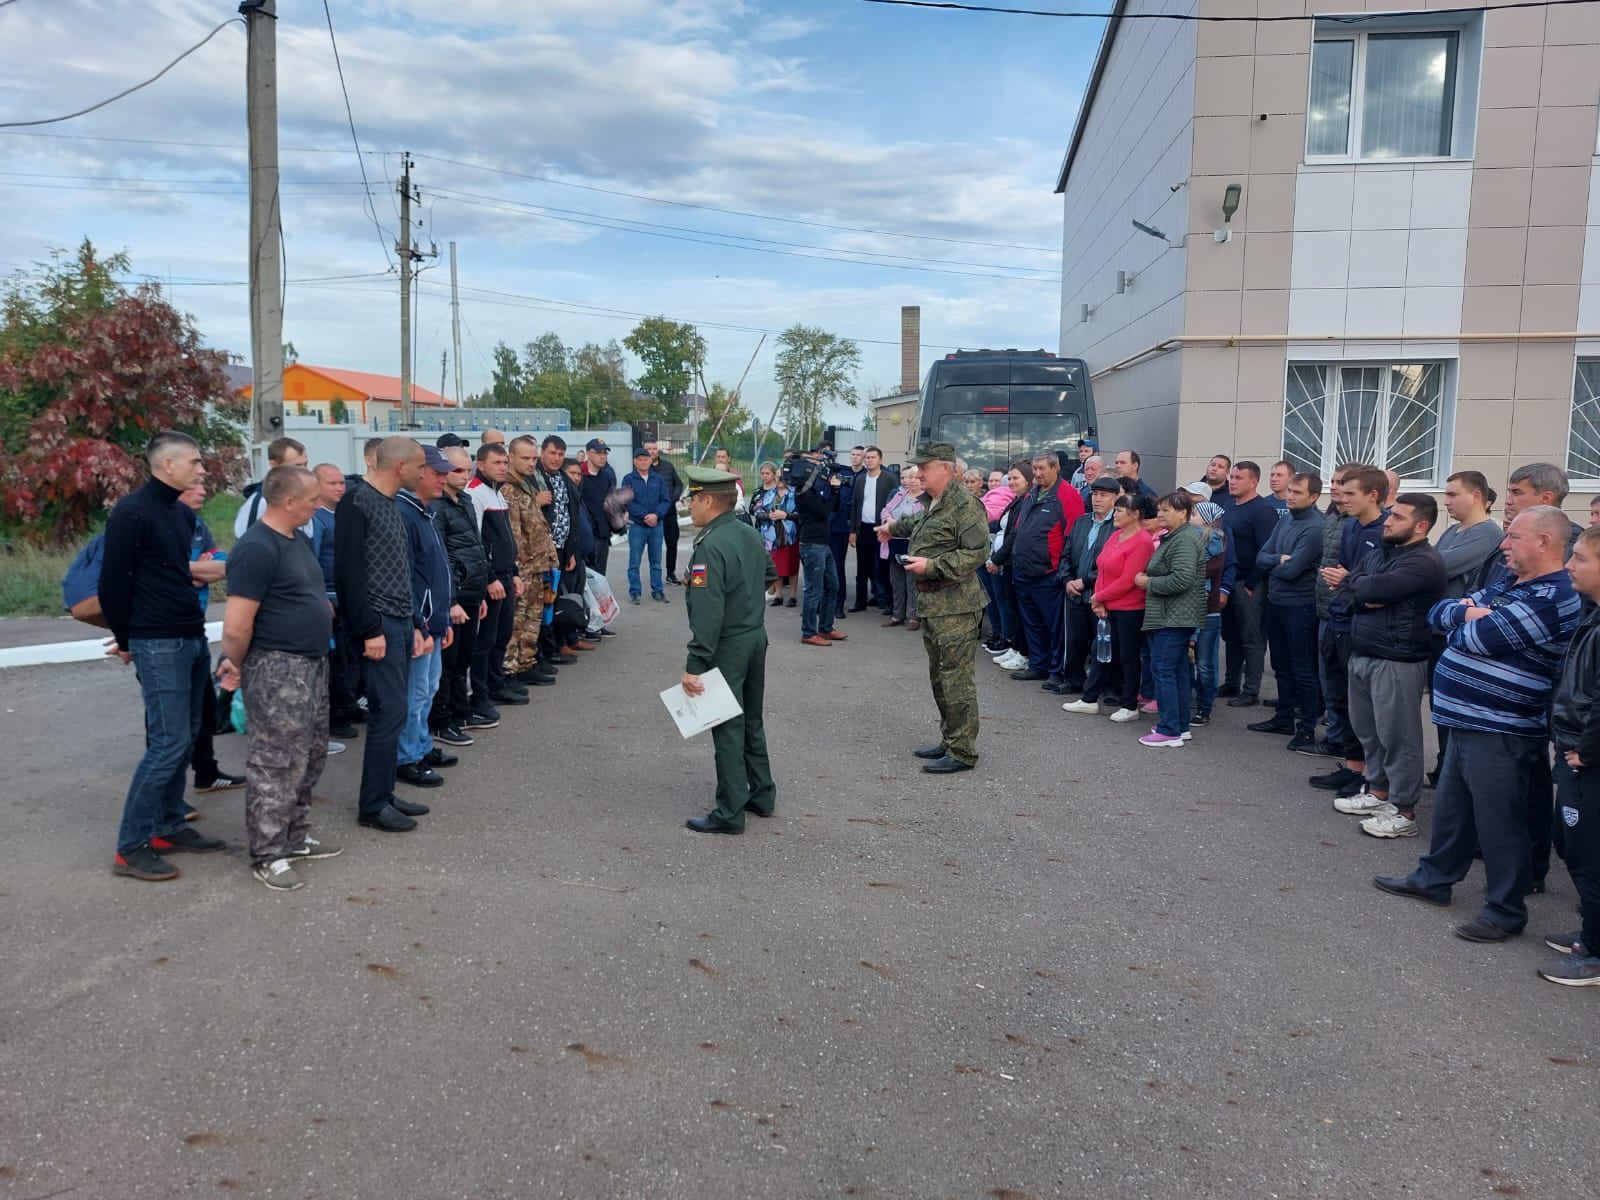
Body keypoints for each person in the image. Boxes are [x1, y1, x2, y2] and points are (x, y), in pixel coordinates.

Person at [1375, 506, 1581, 943]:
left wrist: (1468, 618)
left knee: (1499, 821)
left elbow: (1482, 638)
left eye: (1514, 538)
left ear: (1544, 542)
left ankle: (1505, 910)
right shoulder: (1510, 582)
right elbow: (1439, 614)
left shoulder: (1556, 595)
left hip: (1503, 726)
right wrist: (1466, 614)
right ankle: (1435, 879)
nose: (1503, 545)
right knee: (1453, 810)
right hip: (1467, 719)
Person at [102, 432, 227, 880]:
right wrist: (126, 638)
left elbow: (179, 576)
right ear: (166, 464)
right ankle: (130, 846)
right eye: (194, 462)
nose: (201, 470)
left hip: (189, 635)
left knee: (189, 732)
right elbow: (113, 583)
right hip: (157, 642)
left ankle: (168, 825)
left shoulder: (179, 514)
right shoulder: (132, 513)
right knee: (168, 741)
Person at [216, 465, 340, 891]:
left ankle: (295, 835)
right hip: (277, 667)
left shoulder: (296, 540)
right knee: (276, 762)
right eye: (311, 499)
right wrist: (238, 663)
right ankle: (268, 852)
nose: (318, 505)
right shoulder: (256, 548)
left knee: (311, 753)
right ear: (288, 502)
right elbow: (235, 626)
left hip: (312, 663)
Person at [1327, 494, 1447, 837]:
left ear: (1421, 526)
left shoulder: (1423, 562)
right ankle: (1377, 791)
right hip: (1363, 650)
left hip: (1398, 657)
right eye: (1391, 515)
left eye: (1398, 517)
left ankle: (1403, 809)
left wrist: (1356, 587)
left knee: (1399, 736)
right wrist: (1361, 592)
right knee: (1369, 730)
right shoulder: (1379, 552)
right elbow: (1354, 593)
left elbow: (1368, 586)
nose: (1389, 521)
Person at [876, 442, 990, 774]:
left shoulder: (966, 506)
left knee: (957, 680)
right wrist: (891, 528)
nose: (918, 473)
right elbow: (916, 524)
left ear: (946, 468)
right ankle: (950, 739)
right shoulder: (933, 502)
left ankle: (963, 751)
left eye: (924, 467)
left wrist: (932, 565)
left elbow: (976, 554)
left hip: (956, 606)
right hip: (935, 606)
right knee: (940, 678)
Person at [335, 435, 428, 834]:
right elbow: (349, 574)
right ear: (399, 467)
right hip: (380, 624)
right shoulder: (357, 503)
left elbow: (398, 570)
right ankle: (372, 805)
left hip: (400, 619)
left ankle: (384, 792)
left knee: (397, 710)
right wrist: (370, 629)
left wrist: (418, 622)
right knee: (387, 712)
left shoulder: (391, 504)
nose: (424, 474)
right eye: (420, 467)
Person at [680, 466, 777, 834]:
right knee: (751, 718)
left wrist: (694, 664)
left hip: (728, 644)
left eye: (693, 498)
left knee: (726, 726)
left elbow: (707, 614)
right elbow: (768, 574)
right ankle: (762, 793)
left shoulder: (710, 545)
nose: (690, 505)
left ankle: (729, 811)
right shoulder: (747, 532)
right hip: (755, 635)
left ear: (707, 500)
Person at [1542, 525, 1600, 985]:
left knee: (1587, 853)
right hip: (1575, 749)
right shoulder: (1592, 613)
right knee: (1574, 845)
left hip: (1588, 757)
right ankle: (1591, 933)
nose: (1568, 566)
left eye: (1579, 558)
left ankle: (1596, 953)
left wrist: (1587, 749)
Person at [1424, 470, 1503, 786]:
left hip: (1456, 633)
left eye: (1453, 494)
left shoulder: (1486, 534)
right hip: (1439, 626)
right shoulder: (1454, 531)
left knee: (1453, 707)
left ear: (1476, 496)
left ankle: (1450, 772)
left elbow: (1434, 567)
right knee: (1439, 705)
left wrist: (1425, 565)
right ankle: (1445, 767)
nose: (1446, 502)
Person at [394, 446, 459, 791]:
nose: (443, 479)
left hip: (434, 621)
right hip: (420, 622)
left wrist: (443, 617)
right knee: (415, 692)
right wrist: (419, 622)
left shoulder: (424, 512)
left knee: (427, 689)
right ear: (419, 473)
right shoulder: (405, 513)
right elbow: (404, 577)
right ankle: (407, 757)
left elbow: (436, 570)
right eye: (437, 473)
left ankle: (419, 746)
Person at [177, 482, 246, 799]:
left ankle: (207, 772)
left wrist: (188, 568)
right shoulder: (159, 522)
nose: (203, 490)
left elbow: (223, 565)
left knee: (204, 706)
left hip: (195, 626)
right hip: (168, 633)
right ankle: (167, 801)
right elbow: (162, 571)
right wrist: (191, 569)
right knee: (172, 719)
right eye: (194, 485)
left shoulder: (197, 525)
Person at [993, 451, 1084, 687]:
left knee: (1054, 627)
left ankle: (1056, 670)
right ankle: (1037, 664)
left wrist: (1063, 570)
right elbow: (1019, 528)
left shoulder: (1067, 495)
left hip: (1048, 573)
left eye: (1042, 469)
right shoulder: (1032, 493)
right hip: (1023, 571)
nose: (1037, 474)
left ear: (1055, 468)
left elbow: (1073, 536)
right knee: (1032, 624)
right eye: (1034, 469)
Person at [1318, 466, 1387, 768]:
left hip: (1359, 625)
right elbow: (1345, 571)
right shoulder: (1350, 526)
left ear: (1373, 496)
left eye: (1350, 493)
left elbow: (1376, 582)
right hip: (1337, 617)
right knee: (1337, 697)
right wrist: (1339, 579)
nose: (1342, 499)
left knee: (1359, 704)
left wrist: (1347, 579)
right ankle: (1351, 765)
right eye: (1341, 492)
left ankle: (1367, 772)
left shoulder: (1385, 532)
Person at [1065, 493, 1156, 723]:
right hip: (1108, 604)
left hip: (1129, 608)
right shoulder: (1116, 536)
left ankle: (1129, 704)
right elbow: (1103, 568)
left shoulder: (1142, 541)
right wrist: (1101, 599)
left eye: (1120, 511)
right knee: (1101, 652)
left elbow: (1128, 579)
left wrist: (1098, 597)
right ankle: (1089, 698)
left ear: (1135, 514)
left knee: (1128, 656)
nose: (1115, 514)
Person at [1252, 471, 1325, 753]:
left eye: (1297, 492)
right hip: (1277, 601)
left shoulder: (1316, 527)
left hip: (1301, 606)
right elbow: (1262, 556)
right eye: (1290, 491)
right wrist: (1277, 560)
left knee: (1303, 669)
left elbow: (1293, 570)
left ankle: (1307, 727)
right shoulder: (1285, 520)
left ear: (1314, 496)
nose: (1290, 496)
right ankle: (1283, 718)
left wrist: (1277, 563)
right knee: (1281, 664)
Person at [430, 446, 493, 738]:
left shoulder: (466, 500)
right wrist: (451, 600)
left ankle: (461, 711)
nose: (464, 475)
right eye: (457, 470)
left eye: (467, 470)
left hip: (471, 591)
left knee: (463, 658)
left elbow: (476, 546)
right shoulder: (436, 506)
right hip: (453, 597)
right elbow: (441, 556)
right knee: (448, 662)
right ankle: (442, 721)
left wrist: (478, 593)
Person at [1134, 492, 1206, 747]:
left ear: (1183, 513)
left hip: (1175, 616)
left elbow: (1182, 579)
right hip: (1172, 614)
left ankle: (1169, 729)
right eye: (1160, 509)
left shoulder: (1184, 540)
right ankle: (1179, 725)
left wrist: (1148, 582)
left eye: (1166, 510)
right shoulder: (1175, 537)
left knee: (1164, 670)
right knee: (1176, 671)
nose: (1160, 514)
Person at [467, 442, 529, 707]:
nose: (503, 468)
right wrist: (490, 578)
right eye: (497, 463)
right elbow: (476, 542)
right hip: (490, 580)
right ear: (480, 465)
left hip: (505, 575)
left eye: (505, 463)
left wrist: (513, 572)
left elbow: (505, 541)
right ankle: (480, 694)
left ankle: (496, 684)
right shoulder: (475, 494)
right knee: (486, 640)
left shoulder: (498, 493)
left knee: (502, 636)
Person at [1220, 461, 1279, 706]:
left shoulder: (1263, 511)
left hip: (1250, 583)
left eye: (1238, 478)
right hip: (1229, 580)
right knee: (1231, 635)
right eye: (1231, 477)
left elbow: (1268, 550)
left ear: (1253, 482)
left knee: (1251, 636)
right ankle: (1231, 682)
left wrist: (1253, 582)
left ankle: (1251, 689)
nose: (1232, 481)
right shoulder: (1228, 507)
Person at [311, 463, 363, 739]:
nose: (340, 488)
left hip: (347, 596)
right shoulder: (317, 520)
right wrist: (321, 597)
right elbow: (312, 561)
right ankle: (337, 715)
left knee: (351, 657)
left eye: (342, 482)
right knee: (336, 661)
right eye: (333, 483)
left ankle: (350, 702)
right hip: (329, 598)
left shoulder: (341, 515)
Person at [502, 436, 559, 685]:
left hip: (537, 565)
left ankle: (527, 663)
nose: (530, 462)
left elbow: (538, 525)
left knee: (533, 618)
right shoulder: (508, 488)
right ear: (511, 457)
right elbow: (514, 533)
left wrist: (548, 557)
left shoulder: (528, 484)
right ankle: (510, 670)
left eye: (533, 458)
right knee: (517, 622)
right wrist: (518, 568)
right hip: (522, 567)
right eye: (525, 458)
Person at [1059, 475, 1120, 694]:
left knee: (1102, 641)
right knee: (1075, 639)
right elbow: (1066, 554)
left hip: (1100, 592)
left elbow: (1112, 563)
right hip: (1074, 591)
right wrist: (1067, 579)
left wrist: (1085, 581)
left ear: (1115, 498)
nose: (1097, 499)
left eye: (1103, 495)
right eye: (1095, 494)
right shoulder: (1082, 521)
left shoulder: (1117, 525)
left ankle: (1106, 686)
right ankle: (1073, 680)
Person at [792, 448, 846, 647]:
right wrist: (833, 489)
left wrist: (835, 489)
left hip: (823, 543)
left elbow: (834, 507)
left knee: (832, 586)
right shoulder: (804, 493)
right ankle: (808, 632)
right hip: (812, 544)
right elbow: (824, 511)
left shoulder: (813, 489)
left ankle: (826, 627)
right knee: (814, 590)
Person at [985, 462, 1033, 669]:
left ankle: (1022, 651)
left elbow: (1014, 535)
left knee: (1015, 608)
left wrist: (997, 559)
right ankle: (1015, 647)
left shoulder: (1027, 502)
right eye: (1010, 478)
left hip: (1012, 561)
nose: (1011, 482)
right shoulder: (1016, 501)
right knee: (1007, 604)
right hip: (1004, 559)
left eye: (1016, 478)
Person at [1190, 500, 1230, 725]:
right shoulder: (1190, 536)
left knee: (1205, 663)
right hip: (1189, 606)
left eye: (1194, 513)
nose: (1189, 515)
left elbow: (1208, 569)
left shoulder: (1215, 540)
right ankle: (1192, 702)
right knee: (1189, 660)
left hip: (1207, 610)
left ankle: (1205, 707)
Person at [851, 446, 897, 612]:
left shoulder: (889, 479)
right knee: (862, 567)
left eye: (872, 457)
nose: (869, 460)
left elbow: (895, 504)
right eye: (867, 458)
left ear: (880, 460)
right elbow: (855, 505)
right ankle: (860, 601)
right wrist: (853, 531)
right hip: (863, 528)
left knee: (883, 565)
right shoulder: (860, 479)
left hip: (882, 528)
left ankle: (888, 601)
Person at [881, 464, 927, 629]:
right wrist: (889, 521)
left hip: (913, 544)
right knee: (896, 581)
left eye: (915, 477)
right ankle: (897, 614)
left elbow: (920, 521)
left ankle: (913, 617)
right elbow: (885, 511)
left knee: (912, 582)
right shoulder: (900, 495)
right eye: (908, 477)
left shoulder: (926, 499)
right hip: (895, 542)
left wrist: (898, 524)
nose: (911, 481)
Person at [625, 446, 672, 604]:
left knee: (656, 562)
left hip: (656, 526)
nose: (644, 462)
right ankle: (635, 592)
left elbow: (666, 500)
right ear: (635, 461)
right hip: (638, 526)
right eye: (640, 459)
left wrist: (656, 515)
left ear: (651, 461)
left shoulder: (658, 479)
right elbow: (628, 501)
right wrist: (644, 516)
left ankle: (657, 591)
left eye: (646, 459)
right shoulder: (629, 479)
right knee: (634, 562)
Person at [234, 436, 307, 537]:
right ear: (274, 465)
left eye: (305, 465)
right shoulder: (261, 501)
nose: (304, 471)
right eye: (297, 466)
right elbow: (246, 544)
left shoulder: (305, 496)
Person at [750, 462, 799, 607]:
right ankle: (777, 595)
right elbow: (757, 511)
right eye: (778, 477)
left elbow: (801, 514)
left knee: (792, 565)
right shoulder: (768, 493)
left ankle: (792, 596)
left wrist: (786, 515)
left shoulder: (795, 493)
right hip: (771, 535)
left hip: (790, 534)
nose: (780, 480)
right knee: (775, 565)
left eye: (783, 477)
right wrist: (768, 516)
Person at [829, 447, 863, 621]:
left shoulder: (845, 474)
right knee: (822, 569)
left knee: (837, 567)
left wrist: (852, 530)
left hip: (840, 527)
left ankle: (838, 604)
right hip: (823, 528)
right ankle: (822, 604)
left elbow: (851, 505)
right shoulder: (818, 476)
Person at [645, 439, 685, 584]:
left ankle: (670, 573)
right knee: (653, 547)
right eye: (648, 449)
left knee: (672, 543)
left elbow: (679, 484)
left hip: (669, 513)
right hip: (651, 515)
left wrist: (671, 499)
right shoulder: (643, 469)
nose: (651, 451)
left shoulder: (668, 466)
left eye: (654, 448)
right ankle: (655, 577)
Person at [578, 439, 618, 573]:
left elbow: (611, 503)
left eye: (605, 453)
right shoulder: (578, 475)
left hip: (603, 536)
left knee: (600, 577)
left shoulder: (607, 476)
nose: (603, 456)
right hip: (584, 536)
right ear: (589, 453)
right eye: (599, 453)